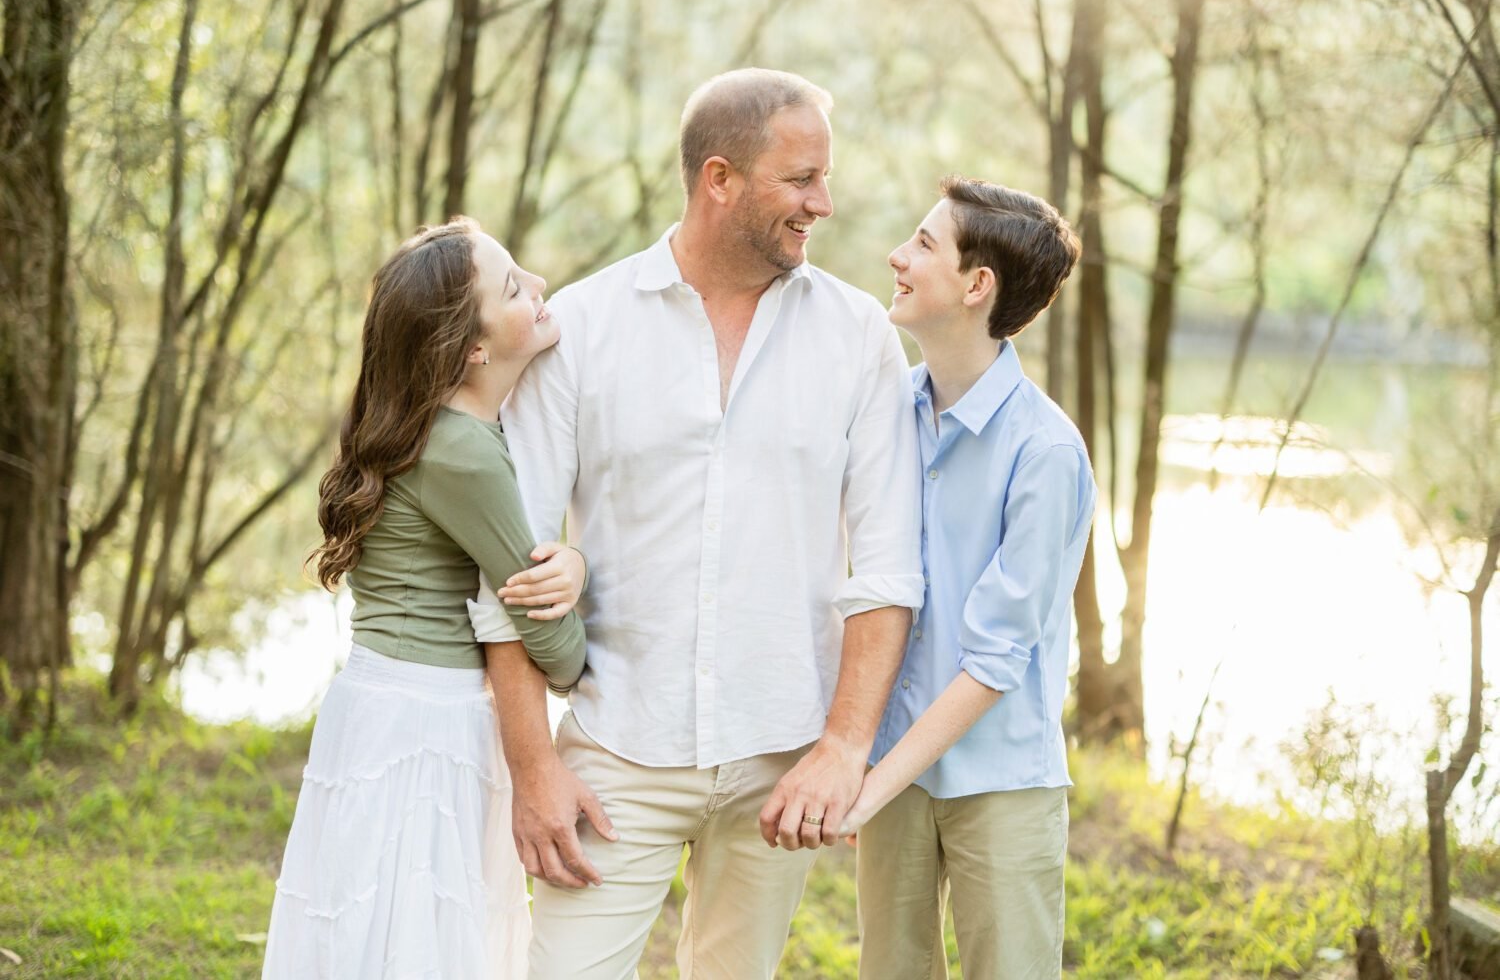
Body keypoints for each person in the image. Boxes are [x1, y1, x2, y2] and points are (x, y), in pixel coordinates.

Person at [485, 68, 924, 979]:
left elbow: (886, 566)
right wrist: (533, 768)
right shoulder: (582, 328)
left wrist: (842, 748)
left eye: (825, 177)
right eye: (800, 180)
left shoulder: (859, 338)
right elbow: (507, 568)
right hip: (617, 748)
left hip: (782, 757)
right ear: (719, 179)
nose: (825, 203)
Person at [262, 218, 589, 979]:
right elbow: (560, 653)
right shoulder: (464, 451)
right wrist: (579, 570)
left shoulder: (426, 428)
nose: (539, 287)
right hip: (428, 727)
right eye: (513, 286)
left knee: (370, 932)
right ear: (473, 347)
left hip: (377, 706)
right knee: (420, 941)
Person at [840, 177, 1093, 980]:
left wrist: (869, 787)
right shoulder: (887, 416)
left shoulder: (1044, 453)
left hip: (1003, 784)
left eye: (922, 243)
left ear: (977, 286)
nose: (896, 255)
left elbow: (994, 659)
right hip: (892, 772)